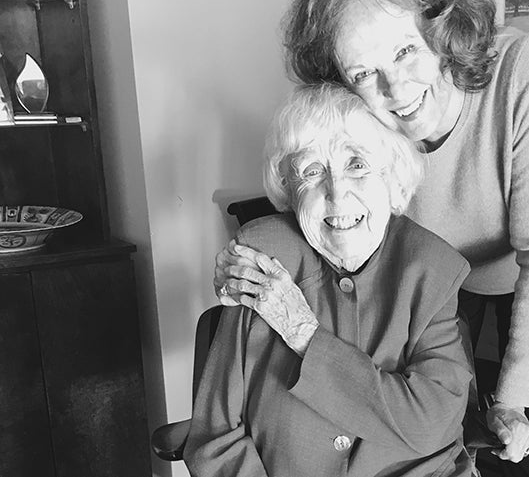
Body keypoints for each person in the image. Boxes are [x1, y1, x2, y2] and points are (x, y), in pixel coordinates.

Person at [214, 0, 529, 475]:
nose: (395, 89)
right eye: (364, 73)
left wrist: (512, 401)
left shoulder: (522, 71)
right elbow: (316, 188)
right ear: (341, 82)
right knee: (445, 422)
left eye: (404, 51)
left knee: (527, 429)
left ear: (440, 31)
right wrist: (243, 254)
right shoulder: (361, 115)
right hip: (444, 271)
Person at [185, 84, 474, 477]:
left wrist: (304, 335)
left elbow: (432, 423)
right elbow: (216, 438)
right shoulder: (264, 257)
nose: (337, 194)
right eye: (313, 171)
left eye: (357, 165)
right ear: (288, 188)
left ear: (394, 179)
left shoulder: (430, 268)